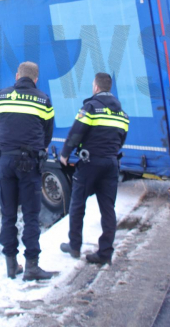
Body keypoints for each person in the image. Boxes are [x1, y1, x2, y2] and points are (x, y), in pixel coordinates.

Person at [0, 61, 56, 281]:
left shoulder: (0, 96)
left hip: (5, 161)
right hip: (29, 163)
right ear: (36, 79)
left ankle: (11, 265)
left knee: (8, 215)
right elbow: (48, 133)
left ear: (17, 75)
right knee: (30, 216)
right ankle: (31, 266)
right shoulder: (43, 100)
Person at [59, 73, 129, 266]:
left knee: (77, 203)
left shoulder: (90, 107)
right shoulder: (122, 115)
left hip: (90, 164)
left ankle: (74, 245)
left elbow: (76, 132)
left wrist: (65, 154)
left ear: (96, 87)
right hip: (111, 164)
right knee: (108, 209)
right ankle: (105, 252)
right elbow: (121, 139)